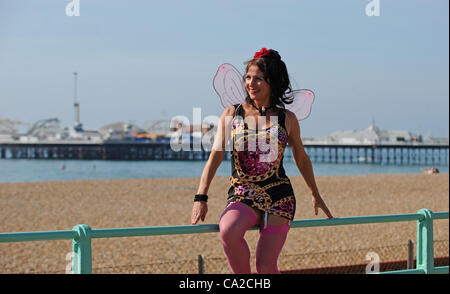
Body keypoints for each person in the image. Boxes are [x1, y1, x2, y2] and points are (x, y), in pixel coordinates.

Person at [191, 48, 333, 274]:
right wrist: (201, 196)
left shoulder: (287, 118)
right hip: (242, 193)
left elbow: (301, 159)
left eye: (258, 78)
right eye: (247, 77)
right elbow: (215, 156)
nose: (250, 83)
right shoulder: (232, 113)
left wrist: (315, 194)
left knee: (266, 266)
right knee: (228, 229)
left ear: (272, 82)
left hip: (279, 196)